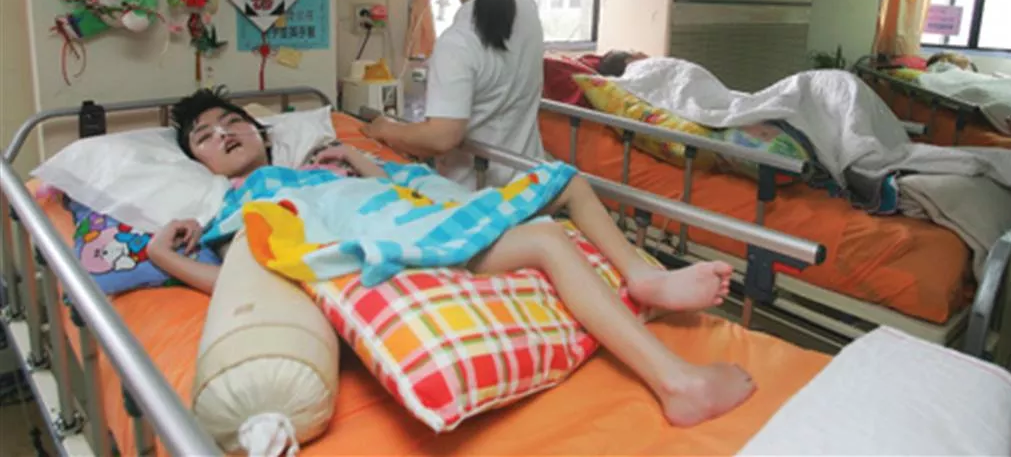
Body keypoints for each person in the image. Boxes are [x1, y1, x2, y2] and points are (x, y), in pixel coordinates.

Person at [150, 87, 754, 427]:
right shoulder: (237, 203)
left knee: (567, 182)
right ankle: (676, 381)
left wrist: (357, 161)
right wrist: (163, 255)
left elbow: (403, 187)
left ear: (259, 131)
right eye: (205, 136)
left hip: (413, 214)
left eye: (232, 122)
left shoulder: (315, 165)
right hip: (392, 243)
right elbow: (243, 279)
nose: (223, 134)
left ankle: (644, 278)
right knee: (546, 238)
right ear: (199, 161)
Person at [366, 0, 544, 189]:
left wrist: (386, 128)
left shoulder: (457, 43)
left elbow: (441, 137)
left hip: (479, 193)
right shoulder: (527, 7)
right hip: (530, 184)